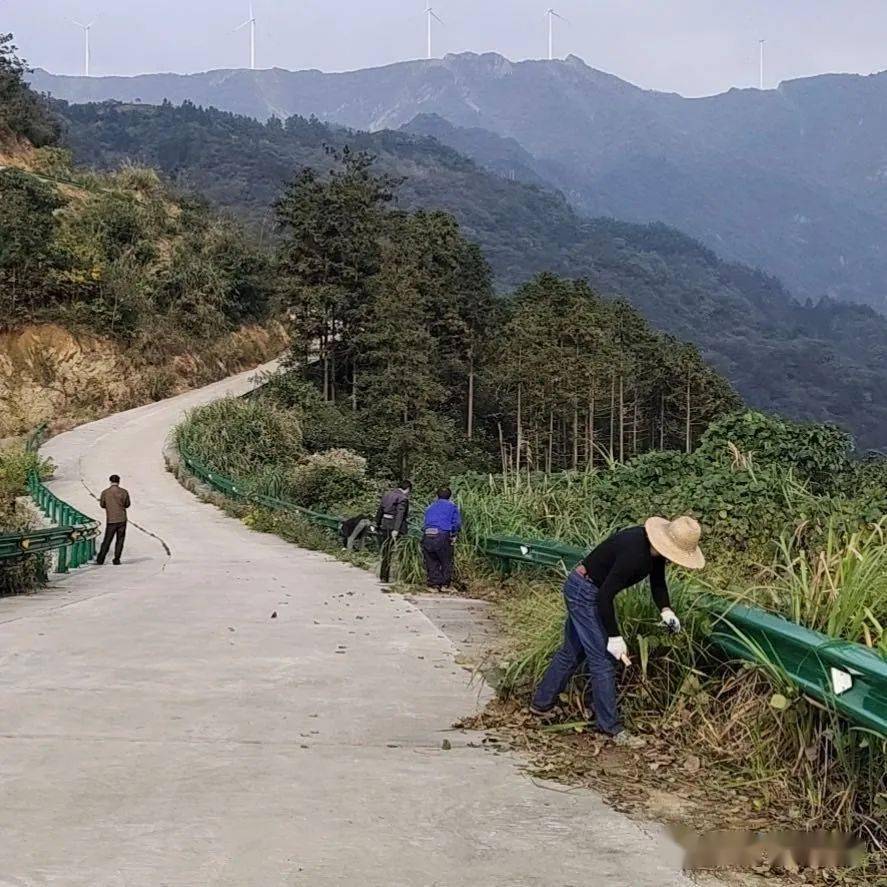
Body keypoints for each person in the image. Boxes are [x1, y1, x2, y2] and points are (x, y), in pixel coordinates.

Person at [530, 516, 705, 747]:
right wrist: (614, 637)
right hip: (585, 591)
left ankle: (540, 704)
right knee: (603, 660)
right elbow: (604, 596)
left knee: (572, 651)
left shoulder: (653, 548)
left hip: (582, 585)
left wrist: (666, 610)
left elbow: (658, 583)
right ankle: (609, 727)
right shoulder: (635, 556)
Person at [421, 486, 462, 591]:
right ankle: (444, 585)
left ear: (437, 496)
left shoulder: (430, 507)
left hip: (427, 535)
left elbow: (425, 522)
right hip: (442, 535)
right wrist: (453, 535)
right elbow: (456, 523)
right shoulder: (452, 507)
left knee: (431, 560)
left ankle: (434, 584)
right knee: (445, 560)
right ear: (450, 496)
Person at [374, 480, 412, 583]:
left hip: (384, 524)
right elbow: (400, 515)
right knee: (402, 551)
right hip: (396, 527)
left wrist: (376, 524)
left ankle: (384, 576)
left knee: (386, 551)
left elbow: (380, 510)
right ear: (407, 489)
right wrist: (396, 529)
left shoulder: (387, 495)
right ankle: (403, 576)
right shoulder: (403, 498)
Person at [96, 474, 131, 566]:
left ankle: (100, 559)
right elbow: (127, 504)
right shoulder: (124, 492)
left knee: (107, 539)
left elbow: (102, 505)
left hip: (111, 519)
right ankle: (117, 559)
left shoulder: (105, 492)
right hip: (122, 519)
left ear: (110, 481)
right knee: (120, 539)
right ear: (119, 481)